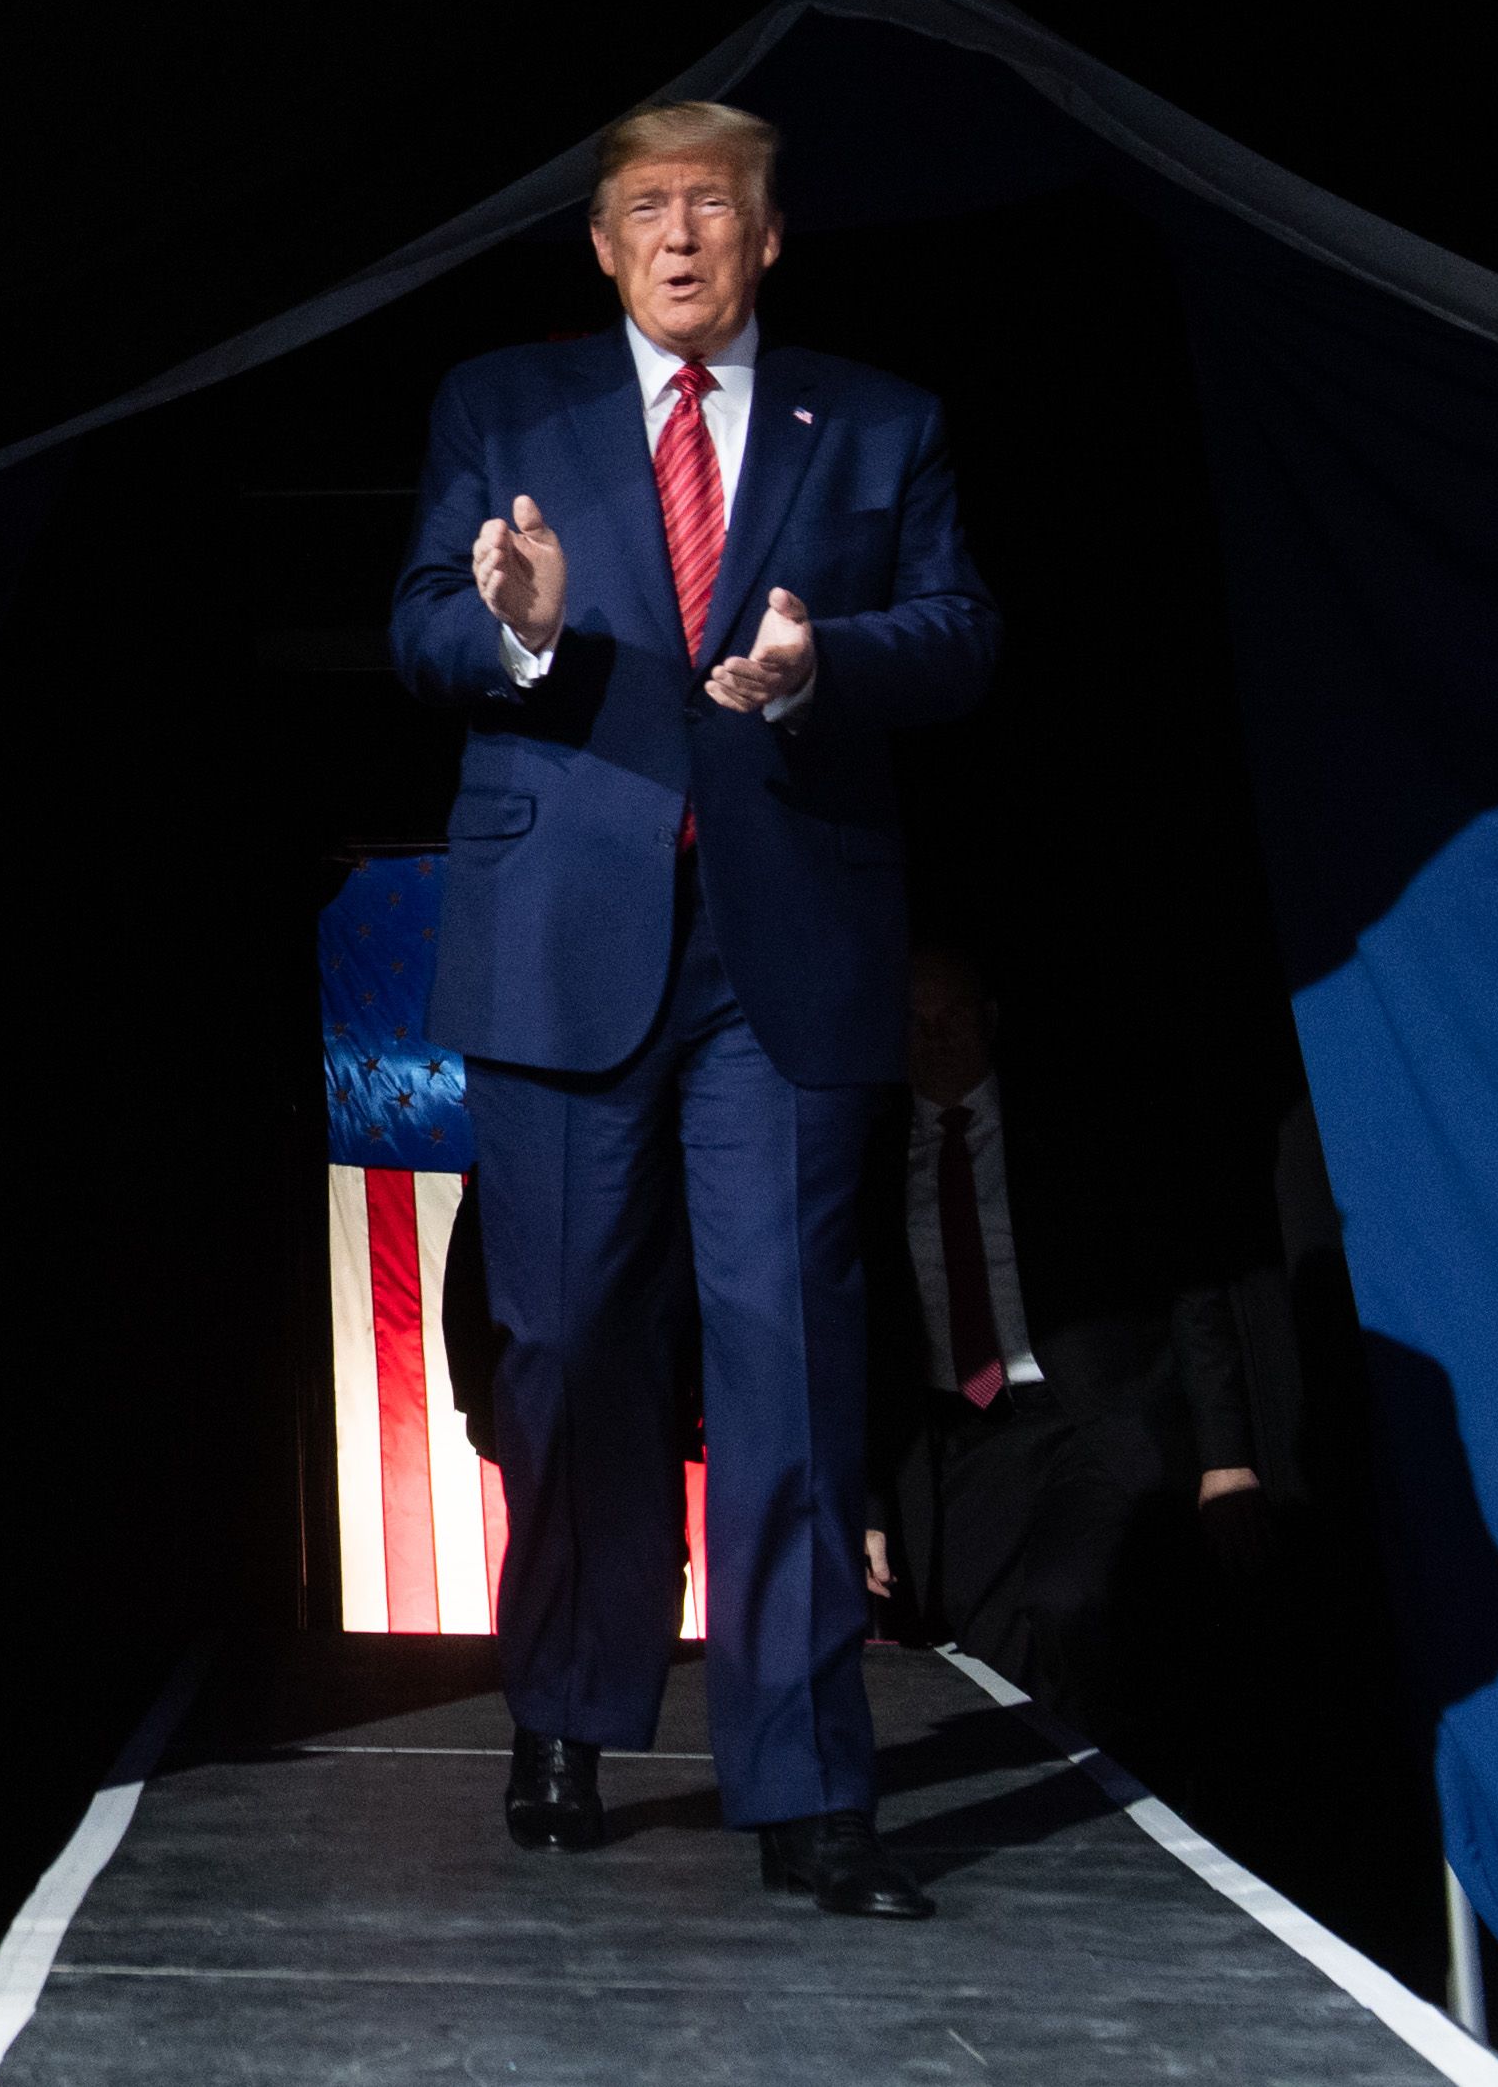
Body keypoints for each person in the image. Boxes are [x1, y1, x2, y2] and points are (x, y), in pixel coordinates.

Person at [382, 102, 998, 1915]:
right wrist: (509, 624)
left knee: (788, 1352)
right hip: (562, 936)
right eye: (644, 207)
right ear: (595, 243)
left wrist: (830, 664)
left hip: (782, 948)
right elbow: (420, 624)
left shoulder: (876, 420)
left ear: (766, 238)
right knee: (568, 1342)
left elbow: (962, 629)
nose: (676, 235)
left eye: (709, 207)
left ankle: (809, 1782)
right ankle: (568, 1706)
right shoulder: (502, 407)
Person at [864, 941, 1270, 1770]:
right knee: (992, 1656)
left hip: (1090, 1418)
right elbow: (858, 1345)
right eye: (912, 1022)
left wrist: (1226, 1460)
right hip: (968, 1438)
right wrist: (865, 1500)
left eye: (949, 1018)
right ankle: (1069, 1830)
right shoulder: (870, 1163)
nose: (933, 1039)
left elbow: (1188, 1283)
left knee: (1071, 1598)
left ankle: (1135, 1800)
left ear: (989, 1021)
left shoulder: (1075, 1130)